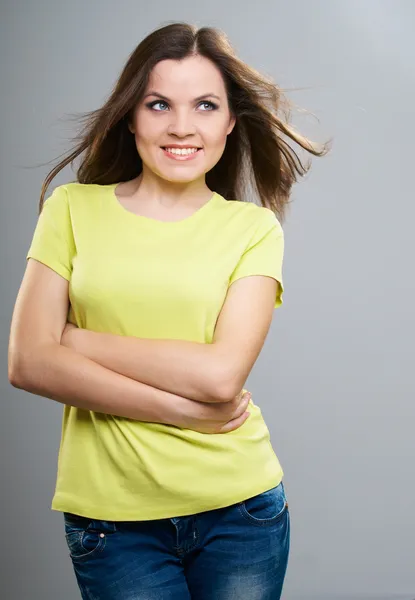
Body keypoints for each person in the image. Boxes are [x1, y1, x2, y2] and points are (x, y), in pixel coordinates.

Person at [8, 21, 329, 600]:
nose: (182, 127)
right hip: (112, 522)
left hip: (240, 512)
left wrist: (75, 341)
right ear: (131, 115)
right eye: (159, 104)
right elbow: (28, 363)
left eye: (205, 105)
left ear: (230, 122)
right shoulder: (71, 210)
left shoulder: (251, 230)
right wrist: (183, 412)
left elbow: (220, 376)